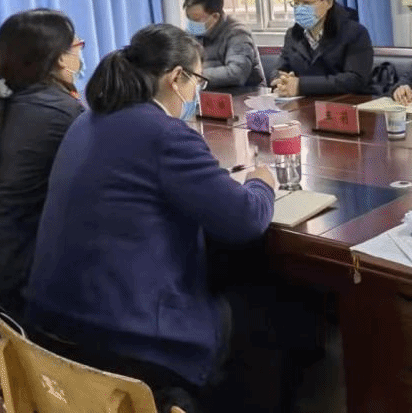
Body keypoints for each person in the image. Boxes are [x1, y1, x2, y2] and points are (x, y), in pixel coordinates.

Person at [24, 24, 281, 412]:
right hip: (127, 336)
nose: (196, 93)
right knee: (271, 313)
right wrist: (262, 181)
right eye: (197, 81)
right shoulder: (163, 133)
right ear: (176, 77)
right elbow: (246, 218)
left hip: (53, 322)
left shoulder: (87, 121)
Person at [0, 9, 85, 321]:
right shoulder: (62, 113)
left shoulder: (0, 104)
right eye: (77, 46)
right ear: (59, 58)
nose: (79, 56)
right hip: (12, 288)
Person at [271, 0, 373, 96]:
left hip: (342, 103)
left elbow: (355, 80)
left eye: (306, 3)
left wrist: (301, 86)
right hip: (302, 104)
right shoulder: (293, 34)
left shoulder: (355, 33)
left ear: (328, 3)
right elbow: (279, 69)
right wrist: (281, 80)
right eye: (296, 3)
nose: (300, 8)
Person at [183, 0, 265, 88]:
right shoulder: (192, 34)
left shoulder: (238, 33)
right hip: (208, 92)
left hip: (245, 93)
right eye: (189, 18)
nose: (191, 24)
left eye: (196, 19)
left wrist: (195, 76)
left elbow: (236, 73)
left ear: (215, 17)